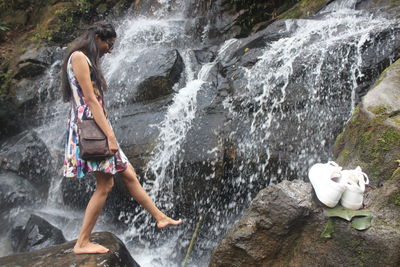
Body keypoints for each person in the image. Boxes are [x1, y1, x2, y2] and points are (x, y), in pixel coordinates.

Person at [61, 22, 182, 254]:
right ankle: (82, 242)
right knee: (105, 184)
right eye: (109, 43)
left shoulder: (86, 59)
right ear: (97, 37)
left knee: (128, 173)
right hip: (91, 129)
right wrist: (110, 136)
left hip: (97, 126)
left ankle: (160, 217)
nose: (111, 49)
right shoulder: (78, 57)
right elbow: (90, 100)